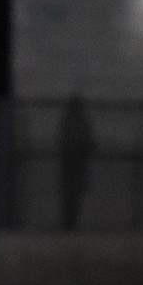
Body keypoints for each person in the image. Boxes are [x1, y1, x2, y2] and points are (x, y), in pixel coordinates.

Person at [58, 94, 95, 230]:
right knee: (70, 195)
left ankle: (70, 222)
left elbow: (89, 144)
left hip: (76, 164)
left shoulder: (75, 123)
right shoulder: (72, 123)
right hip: (71, 165)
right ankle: (69, 222)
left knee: (73, 194)